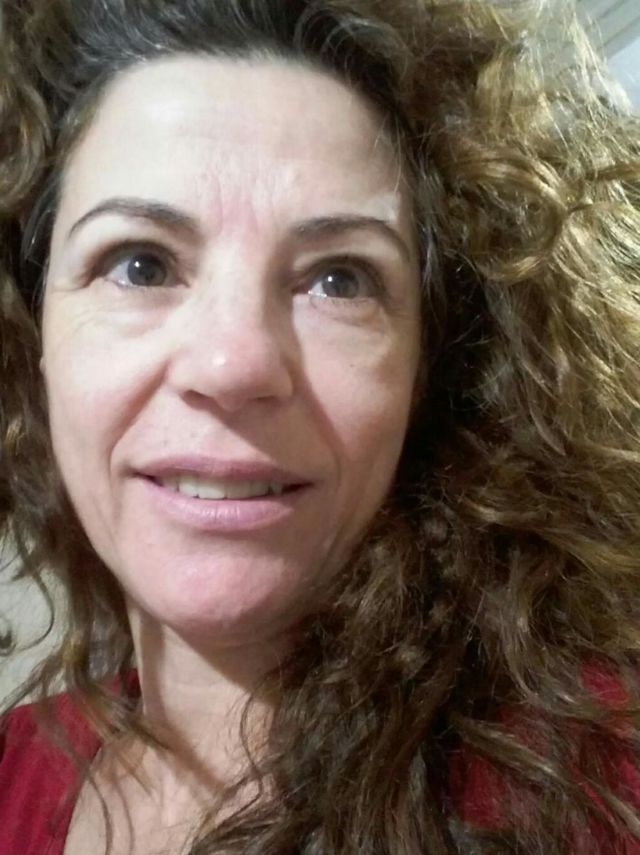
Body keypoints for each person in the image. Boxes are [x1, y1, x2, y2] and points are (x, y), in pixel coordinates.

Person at [0, 0, 639, 852]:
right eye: (140, 264)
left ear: (432, 367)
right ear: (33, 333)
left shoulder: (595, 790)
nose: (233, 364)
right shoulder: (10, 765)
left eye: (340, 279)